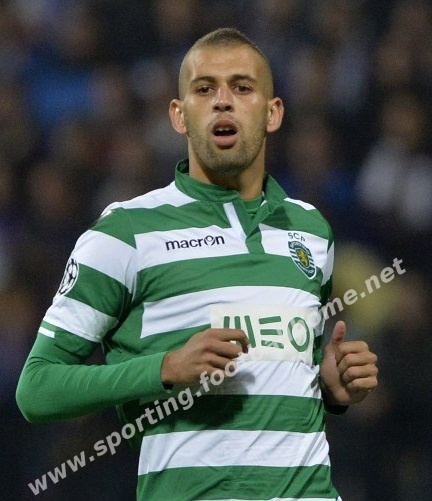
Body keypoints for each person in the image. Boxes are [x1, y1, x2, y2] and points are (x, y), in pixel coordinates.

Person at [16, 28, 378, 501]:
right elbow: (37, 389)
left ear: (273, 113)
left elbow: (286, 376)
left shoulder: (311, 230)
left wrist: (329, 387)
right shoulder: (124, 234)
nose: (223, 101)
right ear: (179, 115)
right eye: (205, 89)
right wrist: (165, 368)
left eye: (242, 87)